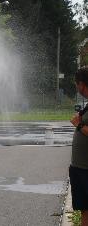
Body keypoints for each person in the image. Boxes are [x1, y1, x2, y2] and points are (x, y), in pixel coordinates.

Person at [70, 66, 88, 226]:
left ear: (82, 84)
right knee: (84, 209)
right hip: (80, 168)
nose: (76, 87)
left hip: (86, 169)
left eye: (76, 84)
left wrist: (79, 124)